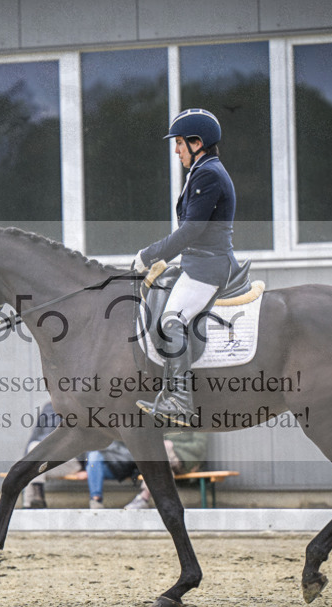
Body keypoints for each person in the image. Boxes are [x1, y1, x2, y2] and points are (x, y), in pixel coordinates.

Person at [132, 109, 237, 427]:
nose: (176, 150)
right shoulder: (204, 169)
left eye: (179, 143)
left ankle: (179, 398)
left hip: (209, 267)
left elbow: (192, 230)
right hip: (199, 260)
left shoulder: (208, 174)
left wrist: (149, 254)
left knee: (170, 319)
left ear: (197, 142)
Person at [123, 431, 208, 510]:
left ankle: (144, 497)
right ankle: (167, 502)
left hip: (189, 460)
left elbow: (199, 447)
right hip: (168, 461)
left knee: (162, 455)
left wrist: (172, 445)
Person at [21, 402, 82, 509]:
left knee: (32, 463)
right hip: (45, 459)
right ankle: (34, 500)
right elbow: (35, 435)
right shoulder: (48, 407)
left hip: (69, 461)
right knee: (33, 452)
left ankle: (35, 499)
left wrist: (88, 467)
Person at [84, 440, 139, 509]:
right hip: (108, 467)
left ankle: (96, 499)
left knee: (94, 454)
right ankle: (96, 500)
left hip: (124, 465)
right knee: (92, 462)